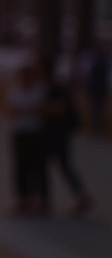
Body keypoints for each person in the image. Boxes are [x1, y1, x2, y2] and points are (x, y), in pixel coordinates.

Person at [44, 69, 94, 216]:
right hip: (58, 134)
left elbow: (60, 108)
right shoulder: (54, 86)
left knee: (56, 165)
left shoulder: (55, 88)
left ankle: (45, 201)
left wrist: (39, 107)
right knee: (62, 165)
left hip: (57, 134)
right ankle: (80, 197)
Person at [6, 65, 49, 216]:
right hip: (20, 133)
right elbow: (8, 109)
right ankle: (23, 199)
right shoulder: (14, 90)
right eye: (23, 77)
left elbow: (43, 109)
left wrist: (23, 110)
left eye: (28, 76)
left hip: (36, 133)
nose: (25, 80)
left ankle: (42, 201)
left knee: (38, 167)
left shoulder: (40, 90)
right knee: (20, 167)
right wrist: (29, 109)